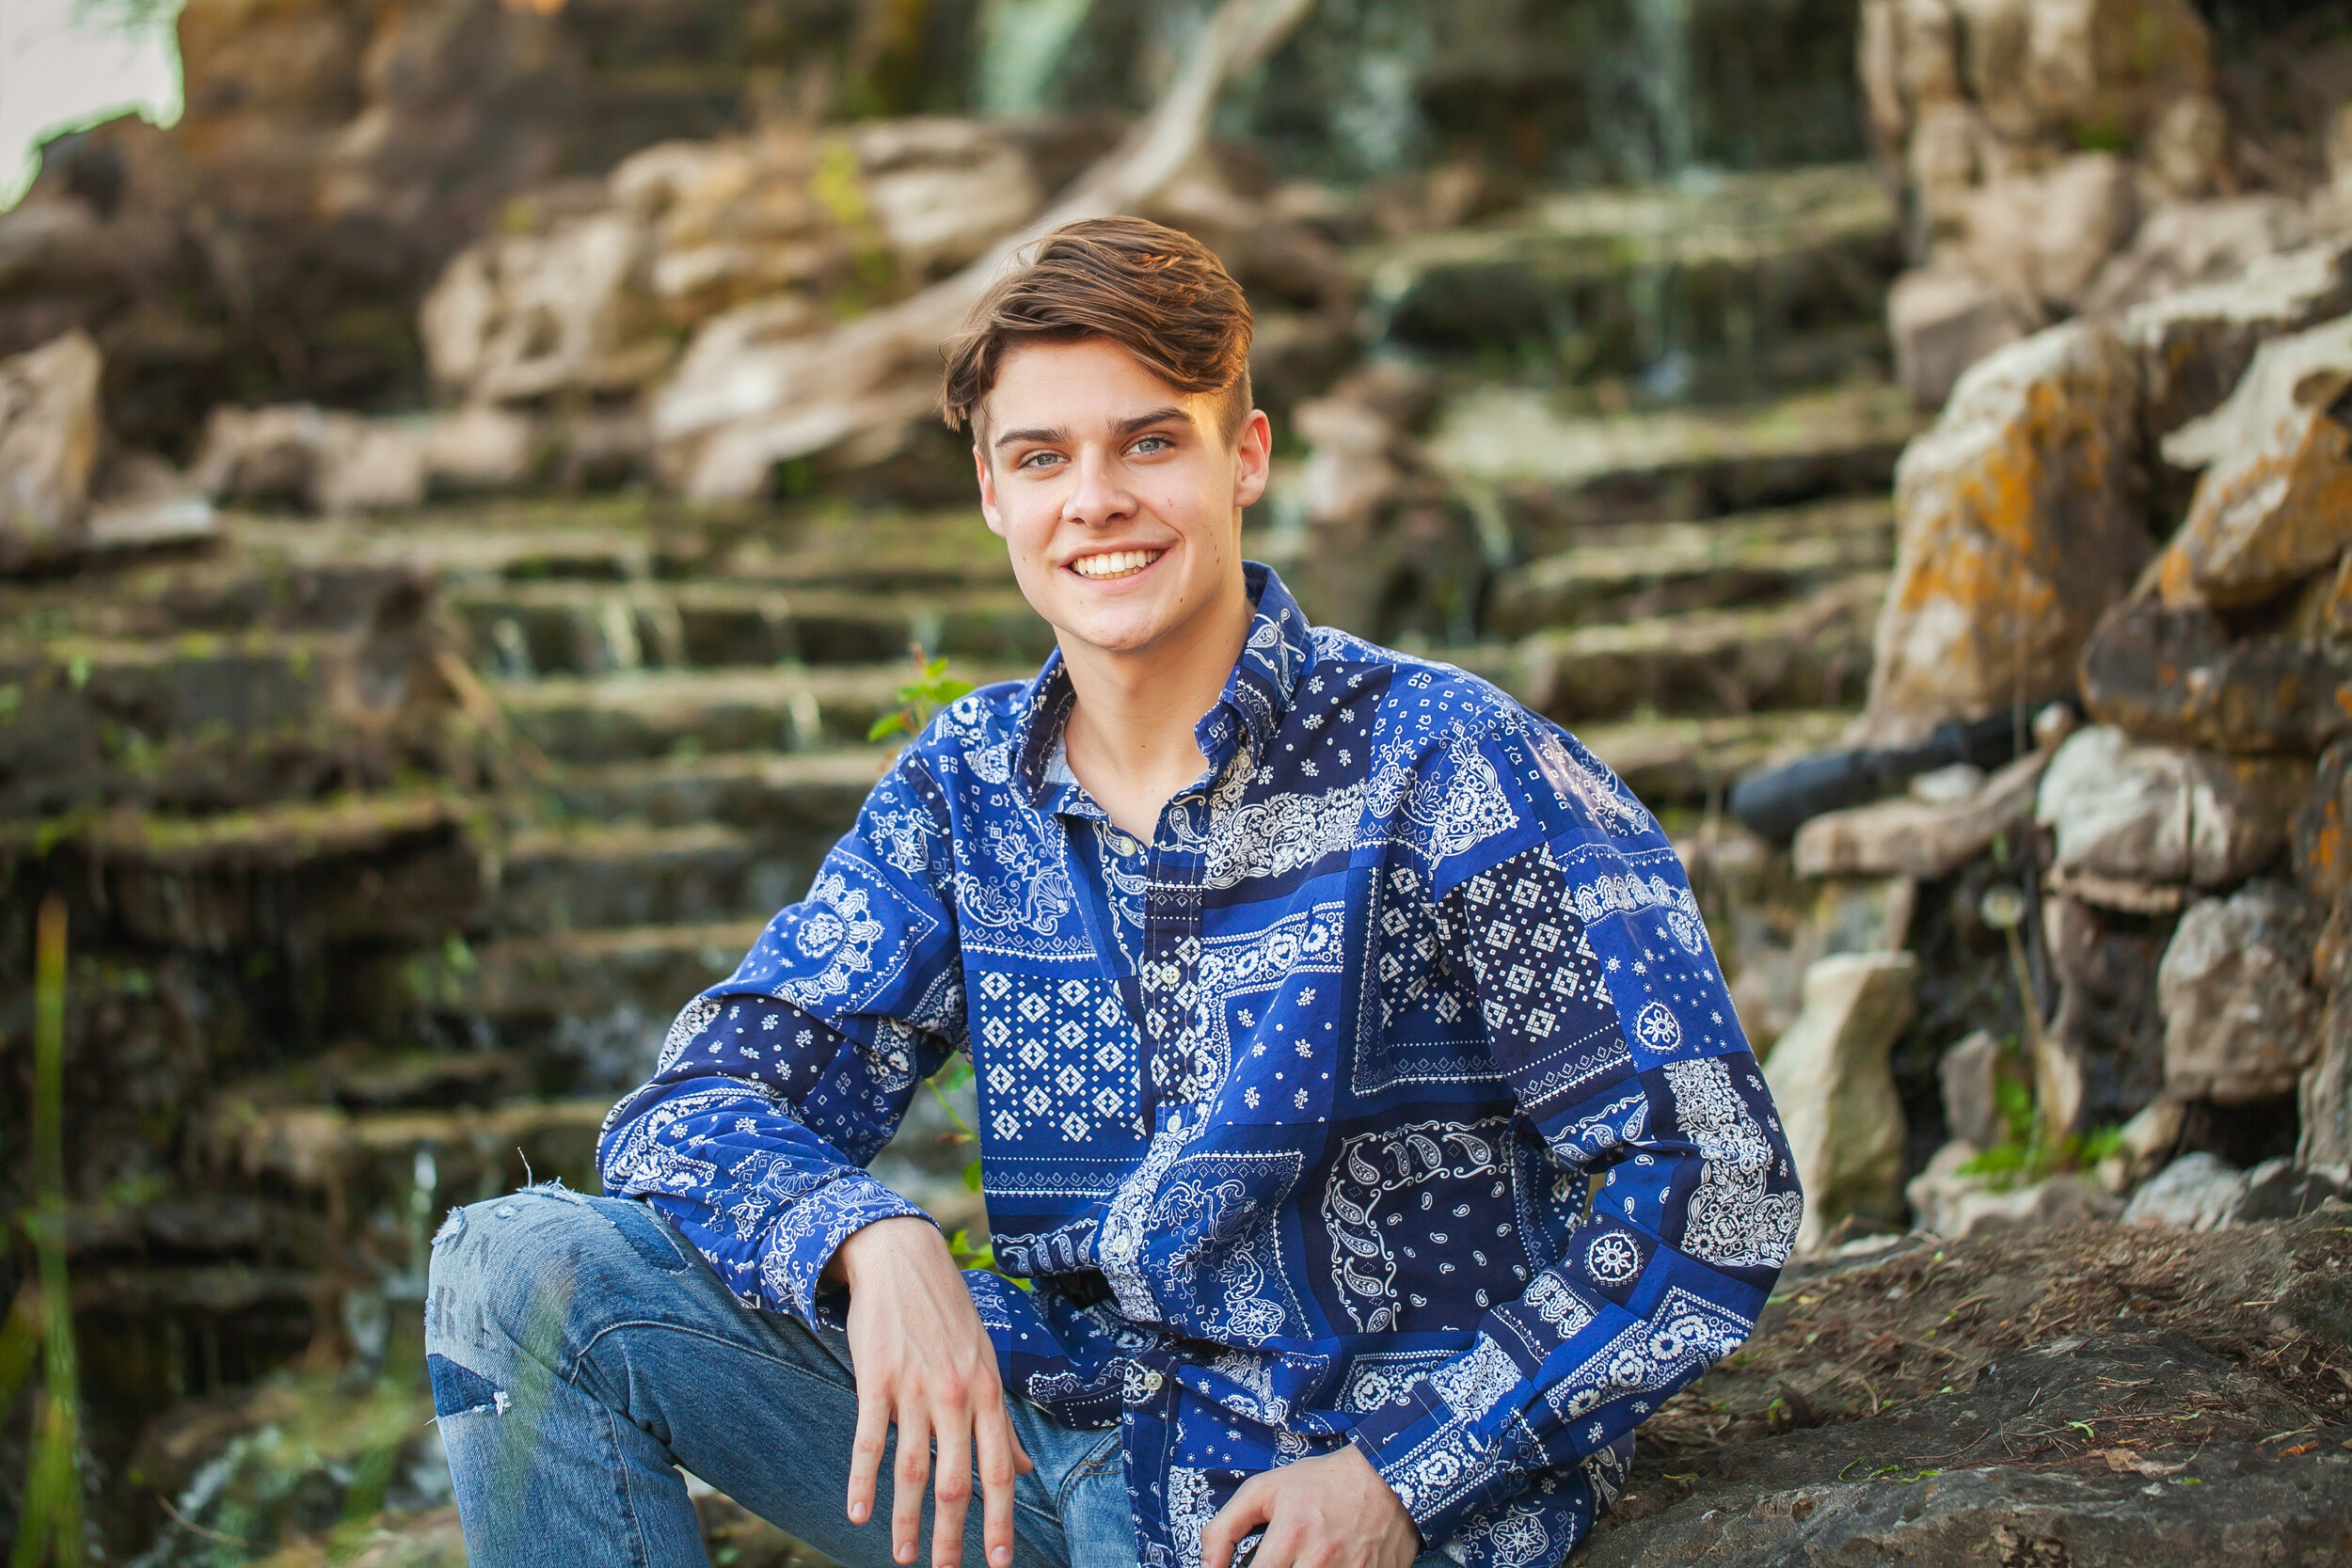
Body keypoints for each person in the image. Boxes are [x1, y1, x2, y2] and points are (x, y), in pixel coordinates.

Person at [425, 216, 1801, 1568]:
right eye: (1043, 457)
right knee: (516, 1272)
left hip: (1326, 1510)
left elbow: (1713, 1177)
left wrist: (1408, 1474)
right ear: (991, 494)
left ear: (1244, 457)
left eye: (1151, 440)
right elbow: (693, 1107)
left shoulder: (1453, 767)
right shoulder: (966, 791)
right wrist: (870, 1234)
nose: (1096, 500)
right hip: (1056, 1446)